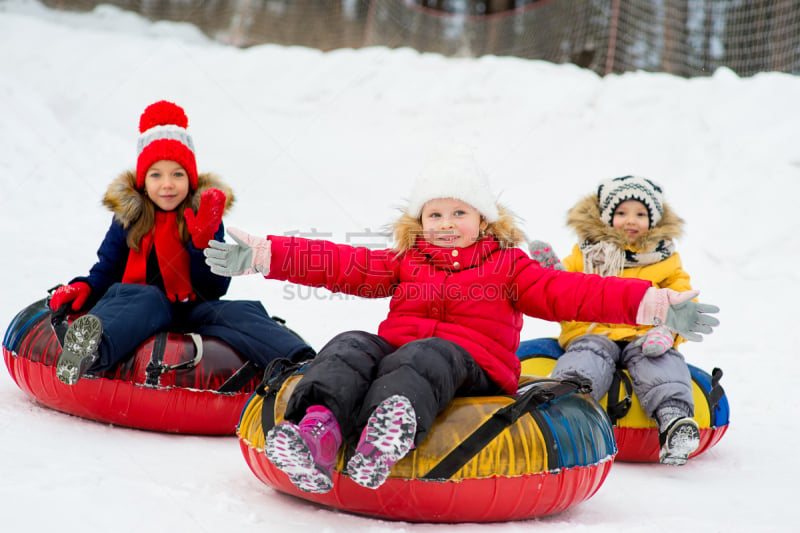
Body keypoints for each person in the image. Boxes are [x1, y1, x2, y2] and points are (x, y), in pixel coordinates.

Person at [204, 148, 719, 492]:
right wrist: (262, 255)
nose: (447, 226)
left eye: (459, 214)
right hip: (403, 354)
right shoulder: (407, 260)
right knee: (352, 342)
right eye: (435, 215)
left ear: (483, 220)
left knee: (428, 353)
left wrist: (657, 304)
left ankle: (388, 435)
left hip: (473, 366)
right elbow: (341, 262)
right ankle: (317, 432)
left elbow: (576, 291)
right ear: (419, 222)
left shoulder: (511, 267)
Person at [49, 100, 314, 386]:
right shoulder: (128, 219)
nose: (167, 184)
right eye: (156, 175)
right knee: (147, 297)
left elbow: (215, 288)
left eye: (177, 174)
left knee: (237, 311)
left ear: (190, 179)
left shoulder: (203, 217)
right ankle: (90, 351)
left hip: (193, 308)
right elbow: (107, 270)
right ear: (142, 181)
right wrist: (85, 286)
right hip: (141, 306)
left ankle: (301, 363)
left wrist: (203, 243)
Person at [542, 175, 710, 466]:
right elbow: (563, 292)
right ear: (606, 218)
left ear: (654, 220)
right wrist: (552, 276)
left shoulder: (665, 260)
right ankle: (567, 414)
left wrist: (668, 330)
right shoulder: (587, 254)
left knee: (660, 360)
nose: (630, 220)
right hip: (593, 330)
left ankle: (674, 422)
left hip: (644, 334)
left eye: (641, 214)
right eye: (621, 212)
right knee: (587, 357)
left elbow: (682, 296)